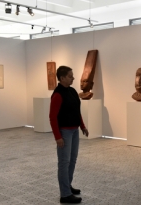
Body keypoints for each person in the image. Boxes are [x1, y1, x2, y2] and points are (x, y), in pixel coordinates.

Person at [49, 66, 89, 204]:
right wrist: (57, 136)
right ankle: (65, 194)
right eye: (70, 76)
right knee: (64, 163)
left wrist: (82, 126)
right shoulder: (57, 94)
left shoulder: (72, 91)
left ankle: (68, 186)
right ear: (62, 78)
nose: (73, 78)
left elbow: (77, 111)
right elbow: (53, 117)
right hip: (64, 132)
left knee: (72, 160)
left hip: (74, 130)